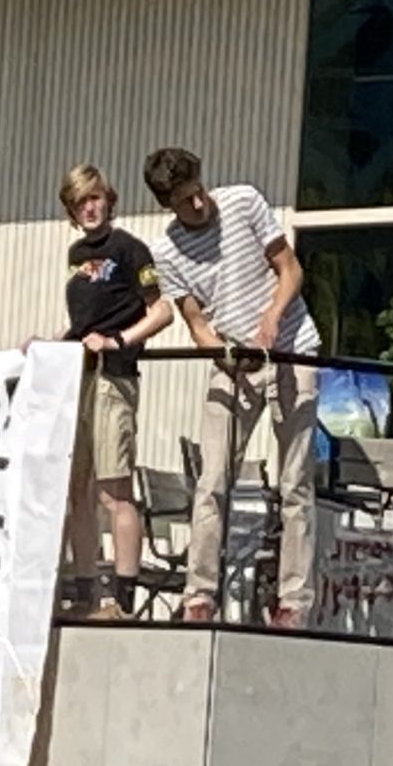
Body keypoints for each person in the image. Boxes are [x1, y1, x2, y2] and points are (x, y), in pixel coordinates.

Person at [142, 147, 321, 627]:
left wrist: (272, 318)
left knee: (295, 481)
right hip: (232, 363)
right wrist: (225, 355)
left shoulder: (244, 201)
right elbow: (196, 324)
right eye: (184, 201)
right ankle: (199, 596)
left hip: (291, 349)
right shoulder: (166, 251)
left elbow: (291, 269)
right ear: (167, 204)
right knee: (212, 478)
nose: (197, 205)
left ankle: (294, 603)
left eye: (198, 192)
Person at [54, 164, 175, 622]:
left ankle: (121, 599)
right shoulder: (76, 254)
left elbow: (161, 311)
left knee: (113, 490)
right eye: (79, 201)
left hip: (113, 376)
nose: (89, 207)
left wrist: (120, 341)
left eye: (95, 197)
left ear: (109, 200)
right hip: (78, 377)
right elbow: (84, 325)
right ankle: (85, 591)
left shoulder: (129, 248)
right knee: (77, 490)